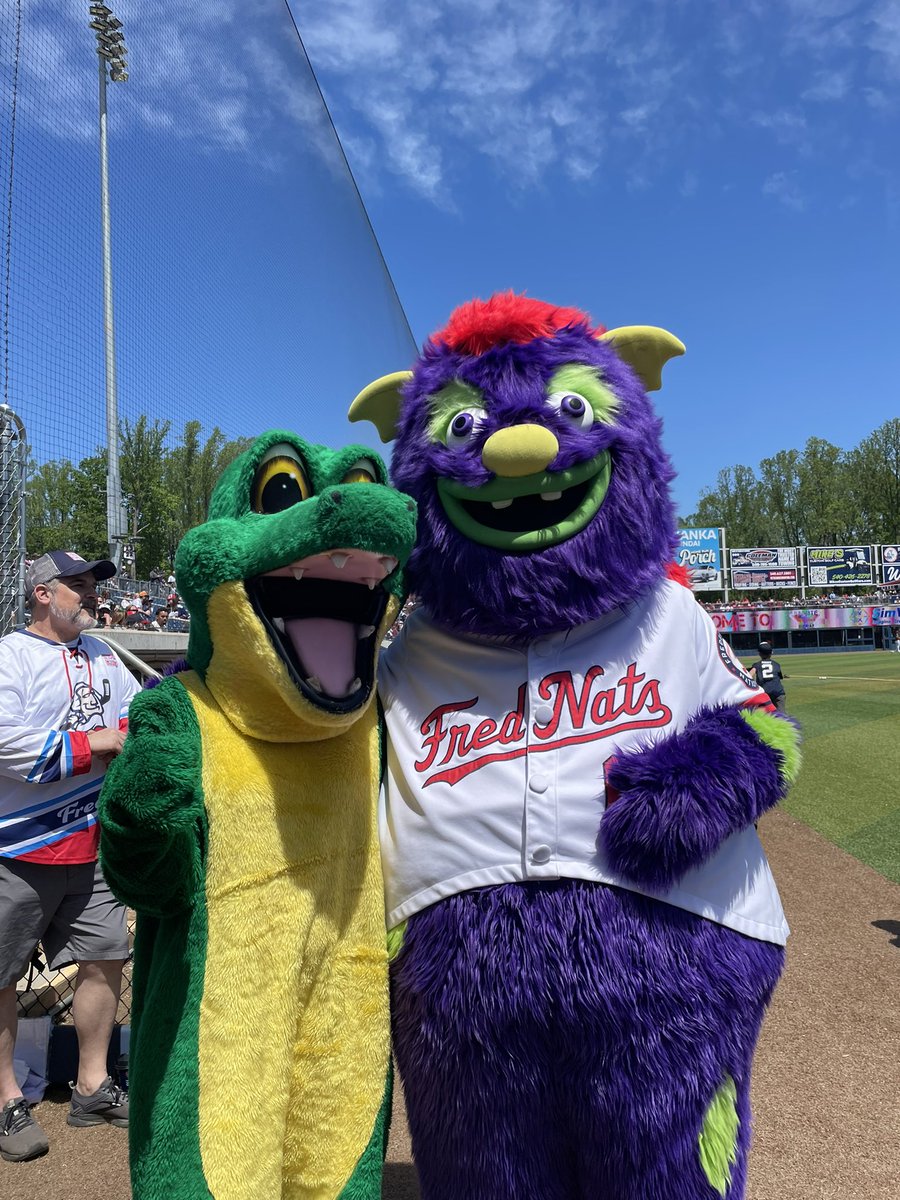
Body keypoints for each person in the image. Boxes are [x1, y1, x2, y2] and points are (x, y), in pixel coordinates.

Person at [0, 551, 141, 1162]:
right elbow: (5, 740)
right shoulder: (11, 654)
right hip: (19, 846)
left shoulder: (105, 656)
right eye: (76, 586)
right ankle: (6, 1100)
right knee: (1, 977)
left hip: (92, 844)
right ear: (41, 595)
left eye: (91, 586)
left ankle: (91, 1086)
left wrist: (135, 731)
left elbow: (139, 714)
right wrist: (95, 744)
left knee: (107, 956)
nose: (88, 596)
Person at [749, 641, 788, 710]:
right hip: (778, 693)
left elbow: (749, 675)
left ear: (759, 653)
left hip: (765, 694)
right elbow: (780, 676)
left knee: (764, 715)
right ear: (771, 653)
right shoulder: (776, 664)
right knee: (781, 716)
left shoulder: (757, 665)